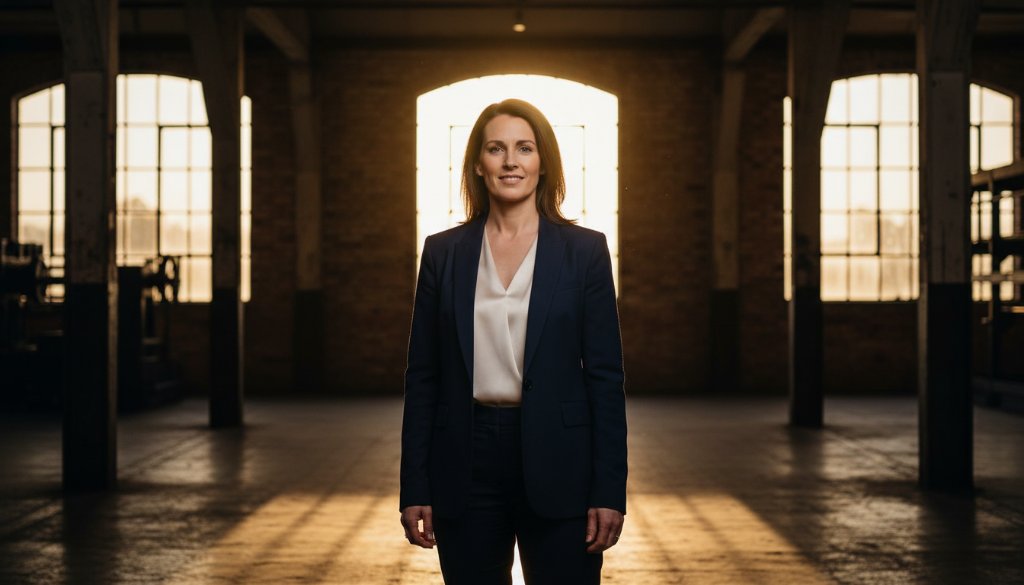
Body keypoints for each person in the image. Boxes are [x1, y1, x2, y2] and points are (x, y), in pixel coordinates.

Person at [400, 98, 627, 585]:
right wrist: (415, 484)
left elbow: (606, 379)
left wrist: (609, 490)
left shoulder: (585, 251)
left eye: (524, 148)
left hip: (561, 456)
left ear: (543, 162)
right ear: (478, 165)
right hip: (465, 455)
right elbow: (423, 378)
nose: (510, 161)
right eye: (496, 149)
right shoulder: (443, 253)